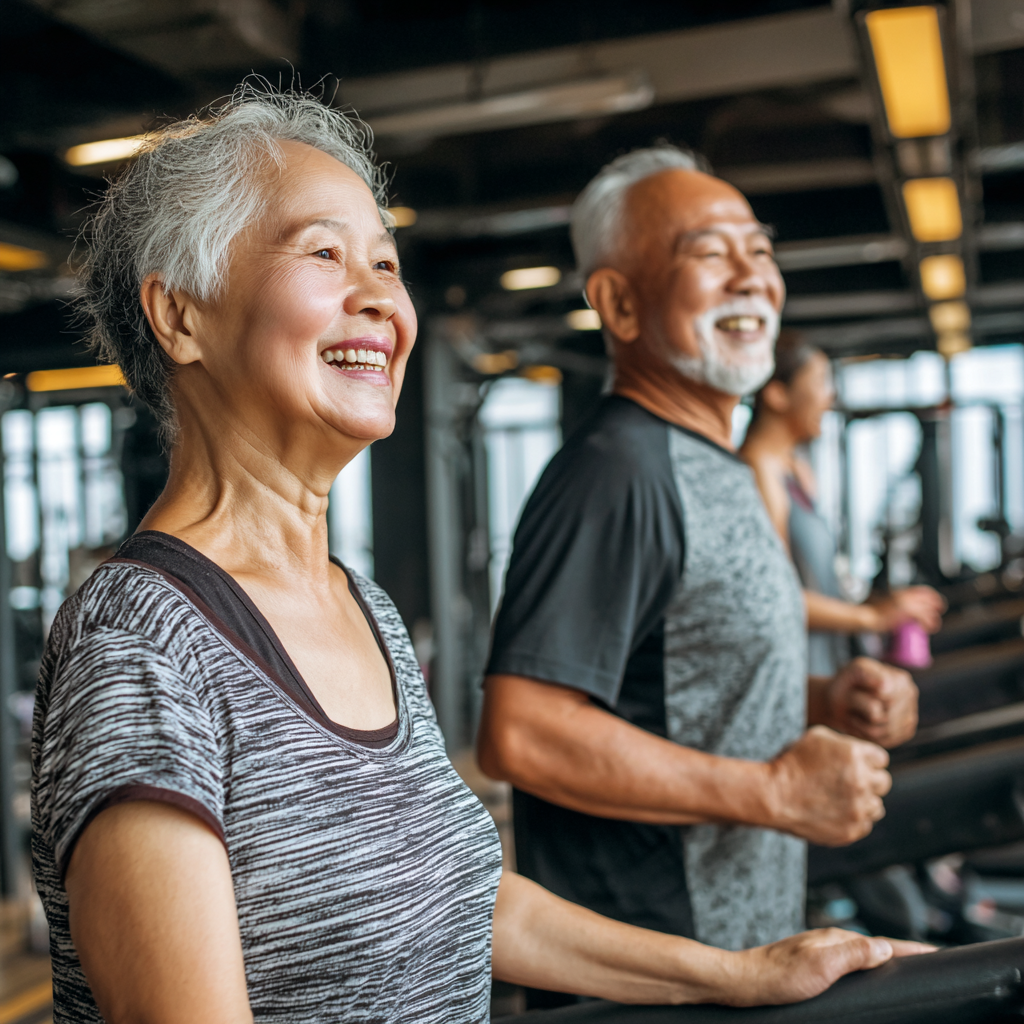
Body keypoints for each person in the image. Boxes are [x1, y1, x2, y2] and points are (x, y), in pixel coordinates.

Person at [29, 87, 927, 1024]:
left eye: (386, 262)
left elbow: (466, 896)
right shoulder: (140, 647)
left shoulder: (364, 609)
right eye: (325, 254)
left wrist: (740, 973)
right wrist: (771, 794)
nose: (382, 297)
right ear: (180, 317)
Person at [477, 147, 922, 1008]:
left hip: (737, 953)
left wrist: (827, 701)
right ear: (619, 303)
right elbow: (523, 734)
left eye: (760, 250)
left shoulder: (711, 464)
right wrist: (775, 791)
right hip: (657, 974)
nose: (751, 276)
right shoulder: (619, 472)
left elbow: (676, 684)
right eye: (711, 253)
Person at [739, 331, 946, 676]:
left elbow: (813, 581)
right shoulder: (758, 471)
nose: (830, 396)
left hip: (824, 663)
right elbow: (772, 597)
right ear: (776, 394)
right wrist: (873, 617)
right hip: (792, 674)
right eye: (820, 382)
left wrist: (884, 606)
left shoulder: (795, 470)